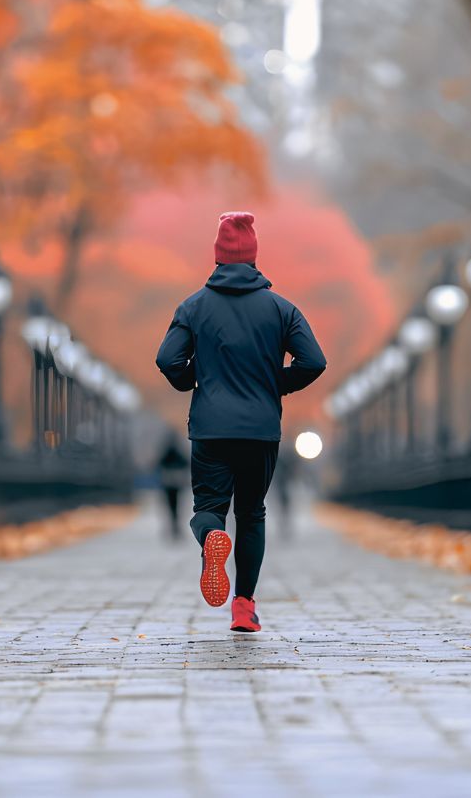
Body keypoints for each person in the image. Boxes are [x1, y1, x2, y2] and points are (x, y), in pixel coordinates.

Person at [155, 212, 326, 633]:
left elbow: (168, 360)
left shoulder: (193, 307)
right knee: (251, 513)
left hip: (211, 428)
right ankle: (244, 607)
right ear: (253, 257)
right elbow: (314, 361)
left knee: (208, 508)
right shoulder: (282, 309)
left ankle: (211, 537)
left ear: (217, 257)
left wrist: (192, 379)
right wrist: (274, 385)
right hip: (260, 430)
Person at [157, 433, 189, 540]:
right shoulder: (178, 454)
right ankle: (176, 527)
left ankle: (174, 527)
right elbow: (186, 463)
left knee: (171, 507)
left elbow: (159, 463)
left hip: (168, 484)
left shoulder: (166, 453)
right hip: (176, 484)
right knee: (177, 507)